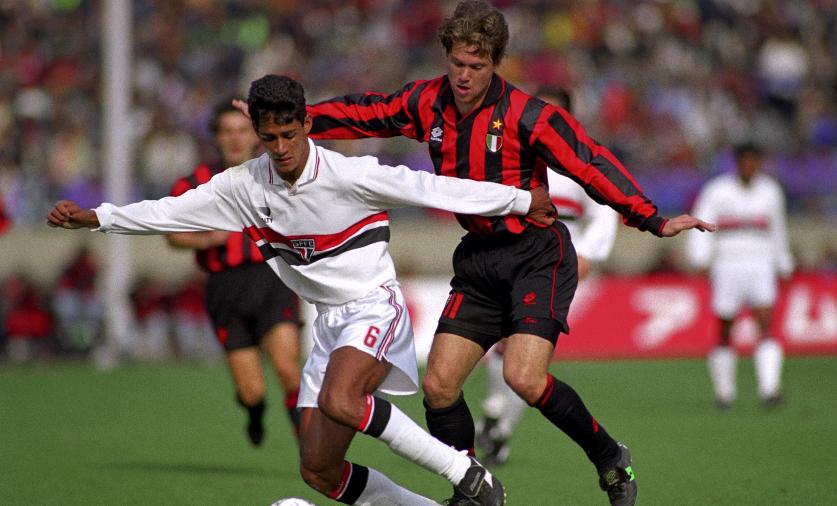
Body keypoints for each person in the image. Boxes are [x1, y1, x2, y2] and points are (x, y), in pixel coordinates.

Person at [48, 74, 558, 506]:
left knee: (342, 400)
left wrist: (516, 199)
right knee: (318, 471)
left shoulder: (349, 175)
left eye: (289, 135)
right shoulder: (243, 186)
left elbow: (432, 187)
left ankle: (467, 475)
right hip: (326, 323)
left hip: (372, 306)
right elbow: (168, 211)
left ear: (307, 125)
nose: (281, 149)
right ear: (257, 135)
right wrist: (97, 218)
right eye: (269, 139)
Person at [288, 2, 715, 504]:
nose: (465, 76)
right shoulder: (429, 102)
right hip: (479, 258)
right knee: (440, 386)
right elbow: (369, 111)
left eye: (478, 66)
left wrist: (651, 218)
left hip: (537, 255)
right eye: (458, 64)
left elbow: (589, 161)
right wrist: (300, 119)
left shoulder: (528, 115)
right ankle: (468, 488)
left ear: (497, 63)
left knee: (523, 377)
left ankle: (607, 455)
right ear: (445, 57)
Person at [474, 87, 620, 468]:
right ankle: (495, 417)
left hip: (554, 262)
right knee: (506, 342)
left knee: (527, 350)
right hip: (514, 254)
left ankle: (499, 427)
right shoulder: (514, 155)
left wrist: (586, 256)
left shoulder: (581, 160)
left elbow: (604, 214)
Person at [166, 100, 303, 446]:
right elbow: (172, 234)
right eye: (227, 131)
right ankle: (255, 411)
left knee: (289, 370)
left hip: (272, 278)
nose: (235, 138)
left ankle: (310, 445)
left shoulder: (276, 173)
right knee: (252, 390)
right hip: (226, 288)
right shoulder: (195, 183)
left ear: (255, 135)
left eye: (242, 130)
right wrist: (209, 238)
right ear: (216, 138)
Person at [686, 141, 794, 409]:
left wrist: (784, 261)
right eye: (744, 160)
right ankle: (725, 393)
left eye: (754, 160)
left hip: (760, 262)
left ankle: (769, 389)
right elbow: (702, 221)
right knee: (725, 327)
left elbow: (778, 229)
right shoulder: (718, 190)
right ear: (737, 163)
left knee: (765, 324)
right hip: (727, 263)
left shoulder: (770, 191)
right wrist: (700, 258)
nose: (749, 166)